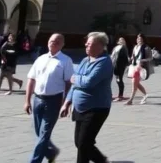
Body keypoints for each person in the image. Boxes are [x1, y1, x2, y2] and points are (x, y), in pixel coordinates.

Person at [61, 32, 113, 163]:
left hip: (96, 108)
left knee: (84, 143)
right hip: (80, 108)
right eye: (87, 43)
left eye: (89, 43)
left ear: (100, 46)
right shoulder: (85, 60)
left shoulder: (104, 62)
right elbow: (75, 85)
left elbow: (89, 82)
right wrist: (67, 102)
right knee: (80, 143)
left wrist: (75, 78)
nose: (86, 45)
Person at [24, 33, 74, 163]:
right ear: (48, 42)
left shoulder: (65, 60)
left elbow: (68, 83)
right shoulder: (40, 59)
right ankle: (51, 152)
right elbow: (31, 79)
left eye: (57, 41)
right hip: (38, 99)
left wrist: (65, 103)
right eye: (52, 40)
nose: (54, 43)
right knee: (38, 132)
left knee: (44, 134)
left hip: (54, 101)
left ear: (62, 44)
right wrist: (27, 101)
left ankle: (35, 161)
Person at [126, 34, 150, 105]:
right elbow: (133, 56)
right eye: (138, 38)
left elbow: (150, 58)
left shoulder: (146, 48)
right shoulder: (135, 47)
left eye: (140, 39)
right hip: (134, 66)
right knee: (136, 83)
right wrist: (130, 58)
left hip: (140, 67)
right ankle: (146, 95)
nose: (139, 40)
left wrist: (143, 60)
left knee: (134, 83)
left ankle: (131, 100)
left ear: (143, 39)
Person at [110, 37, 129, 102]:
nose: (121, 40)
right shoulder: (116, 48)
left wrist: (126, 66)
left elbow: (126, 59)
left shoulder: (124, 48)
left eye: (123, 40)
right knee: (114, 80)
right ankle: (111, 95)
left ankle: (120, 95)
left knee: (119, 80)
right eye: (120, 40)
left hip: (120, 67)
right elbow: (112, 56)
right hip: (114, 65)